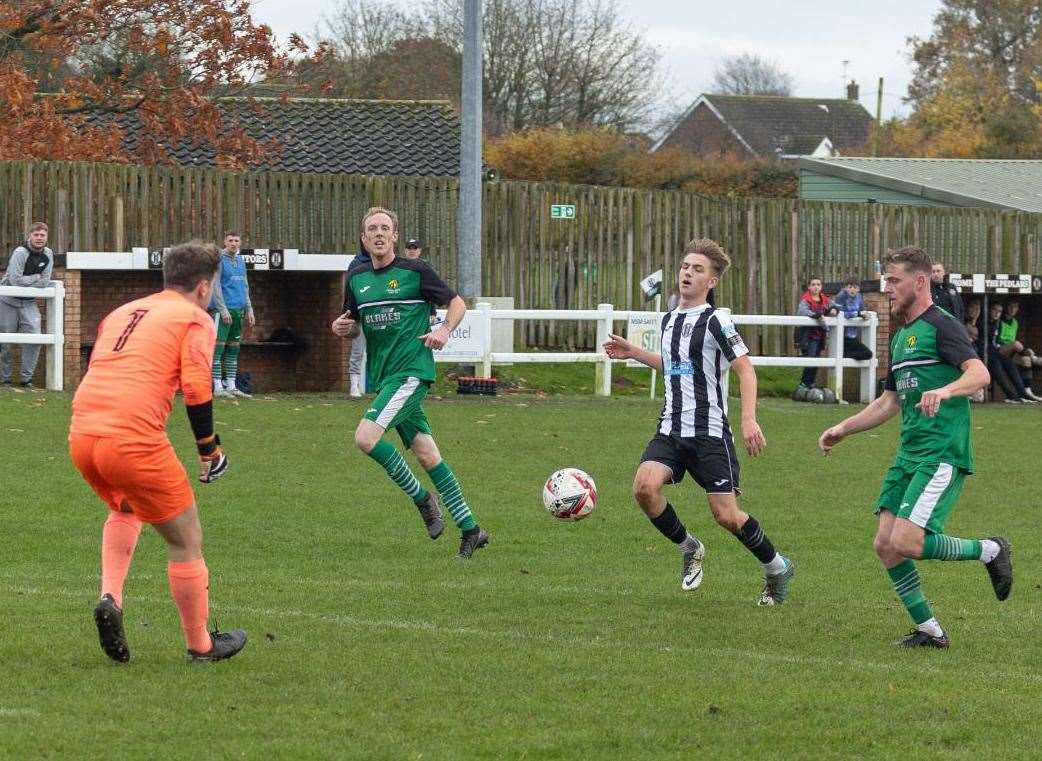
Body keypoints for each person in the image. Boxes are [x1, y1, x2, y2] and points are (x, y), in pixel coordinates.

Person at [818, 246, 1012, 649]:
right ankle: (930, 630)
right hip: (908, 454)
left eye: (894, 281)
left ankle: (991, 550)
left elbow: (979, 374)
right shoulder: (903, 334)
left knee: (907, 542)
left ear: (920, 282)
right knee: (885, 545)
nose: (887, 288)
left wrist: (945, 389)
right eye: (886, 280)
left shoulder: (943, 326)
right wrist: (844, 428)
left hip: (941, 452)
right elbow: (889, 401)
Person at [69, 240, 246, 663]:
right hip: (131, 439)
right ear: (204, 288)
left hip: (83, 432)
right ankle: (201, 644)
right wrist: (209, 449)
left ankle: (110, 596)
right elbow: (198, 387)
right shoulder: (195, 319)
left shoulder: (123, 311)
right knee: (186, 539)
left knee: (127, 508)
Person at [602, 239, 794, 604]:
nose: (687, 273)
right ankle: (689, 548)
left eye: (697, 269)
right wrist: (635, 353)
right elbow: (676, 367)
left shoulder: (716, 320)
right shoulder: (670, 318)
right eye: (685, 266)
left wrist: (749, 418)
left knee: (726, 515)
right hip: (671, 429)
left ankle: (777, 567)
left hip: (709, 433)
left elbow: (745, 369)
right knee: (644, 487)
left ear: (712, 281)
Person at [331, 207, 490, 558]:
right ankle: (471, 529)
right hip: (385, 377)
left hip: (411, 373)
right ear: (363, 238)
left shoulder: (415, 272)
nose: (378, 233)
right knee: (427, 454)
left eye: (384, 228)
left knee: (365, 437)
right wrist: (341, 328)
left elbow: (457, 302)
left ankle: (422, 499)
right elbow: (353, 323)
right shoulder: (356, 278)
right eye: (371, 228)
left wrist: (445, 329)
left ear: (395, 236)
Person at [0, 222, 54, 389]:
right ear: (29, 236)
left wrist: (35, 280)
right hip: (7, 300)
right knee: (4, 342)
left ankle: (26, 380)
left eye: (42, 235)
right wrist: (35, 278)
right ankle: (4, 380)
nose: (39, 238)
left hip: (29, 303)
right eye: (36, 235)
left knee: (35, 339)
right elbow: (14, 280)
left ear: (46, 237)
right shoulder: (20, 252)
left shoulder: (48, 254)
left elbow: (45, 282)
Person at [209, 231, 255, 399]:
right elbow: (215, 286)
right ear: (225, 242)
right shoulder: (219, 260)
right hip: (223, 311)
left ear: (240, 242)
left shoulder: (241, 261)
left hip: (239, 310)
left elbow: (245, 286)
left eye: (236, 240)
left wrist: (249, 309)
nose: (233, 243)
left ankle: (232, 385)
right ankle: (218, 386)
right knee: (218, 348)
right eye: (230, 240)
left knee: (233, 348)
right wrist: (222, 309)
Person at [984, 301, 1035, 404]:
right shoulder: (985, 322)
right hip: (991, 352)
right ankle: (1011, 396)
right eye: (994, 310)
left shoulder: (1004, 322)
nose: (997, 313)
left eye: (999, 311)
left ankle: (1024, 392)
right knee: (998, 361)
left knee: (1019, 361)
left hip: (1001, 352)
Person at [996, 300, 1042, 400]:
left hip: (1011, 351)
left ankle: (1027, 391)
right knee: (1016, 344)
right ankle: (1034, 358)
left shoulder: (1015, 323)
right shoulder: (999, 320)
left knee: (1026, 360)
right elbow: (997, 339)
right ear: (1006, 307)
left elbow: (1012, 338)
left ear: (1018, 309)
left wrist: (1024, 352)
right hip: (999, 349)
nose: (1013, 309)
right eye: (1011, 306)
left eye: (1015, 307)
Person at [795, 276, 830, 391]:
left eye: (818, 284)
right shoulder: (806, 299)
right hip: (808, 336)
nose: (816, 287)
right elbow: (802, 311)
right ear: (809, 287)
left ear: (821, 287)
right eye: (813, 284)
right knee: (811, 359)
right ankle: (805, 383)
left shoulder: (824, 299)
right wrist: (815, 315)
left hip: (820, 335)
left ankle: (810, 383)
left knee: (817, 359)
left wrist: (834, 309)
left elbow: (833, 306)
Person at [346, 238, 371, 398]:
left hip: (379, 315)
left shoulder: (385, 263)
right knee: (358, 350)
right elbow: (349, 290)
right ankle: (354, 386)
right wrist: (349, 313)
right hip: (360, 316)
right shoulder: (355, 264)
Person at [828, 277, 873, 360]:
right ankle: (845, 355)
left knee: (868, 354)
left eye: (855, 287)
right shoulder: (840, 296)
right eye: (850, 287)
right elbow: (841, 313)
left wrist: (865, 315)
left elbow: (862, 310)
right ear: (845, 288)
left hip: (853, 335)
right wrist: (858, 314)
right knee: (867, 354)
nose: (852, 289)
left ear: (858, 289)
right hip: (842, 335)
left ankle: (845, 355)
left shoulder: (859, 297)